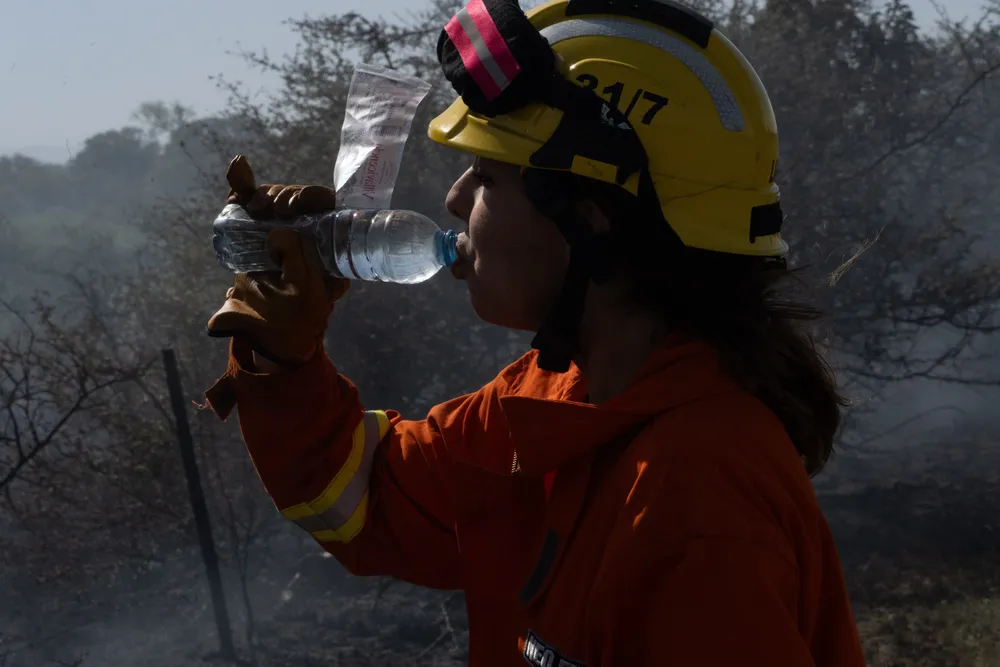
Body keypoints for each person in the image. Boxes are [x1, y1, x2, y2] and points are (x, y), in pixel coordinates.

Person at [203, 0, 867, 664]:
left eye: (488, 177)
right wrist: (283, 364)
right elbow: (370, 503)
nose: (456, 200)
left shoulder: (697, 501)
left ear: (590, 217)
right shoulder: (560, 403)